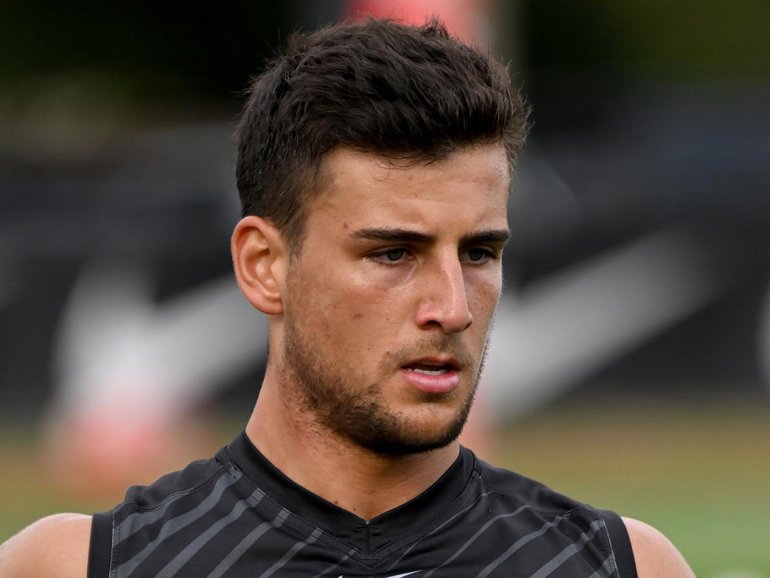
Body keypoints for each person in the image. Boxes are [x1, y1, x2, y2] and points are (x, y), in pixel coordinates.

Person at [0, 18, 694, 577]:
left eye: (479, 253)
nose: (453, 308)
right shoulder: (79, 566)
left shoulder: (622, 565)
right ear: (263, 265)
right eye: (392, 253)